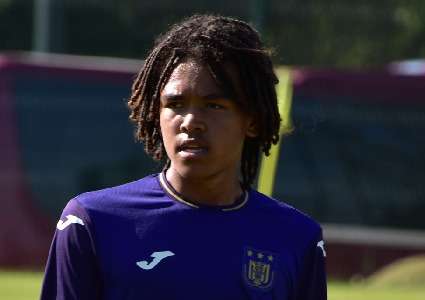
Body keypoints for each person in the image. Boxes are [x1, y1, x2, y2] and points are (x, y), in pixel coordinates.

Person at [40, 14, 327, 300]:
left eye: (213, 105)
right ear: (156, 113)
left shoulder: (297, 238)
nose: (190, 121)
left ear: (251, 120)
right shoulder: (92, 222)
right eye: (175, 104)